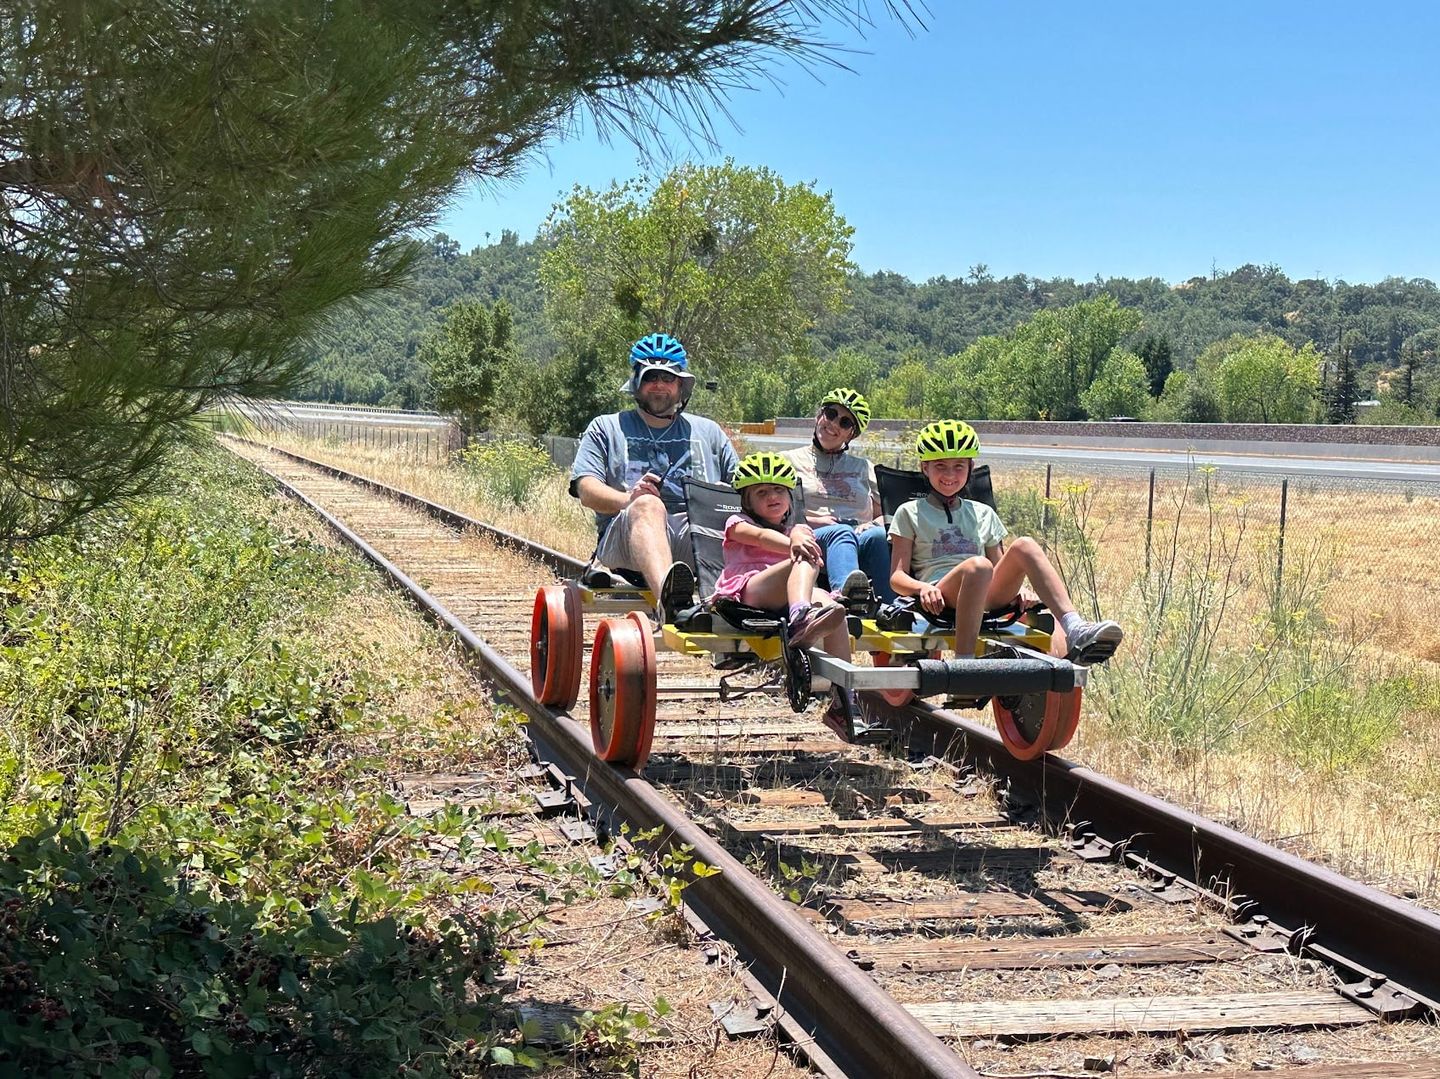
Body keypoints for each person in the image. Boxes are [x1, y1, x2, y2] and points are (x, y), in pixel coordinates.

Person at [888, 420, 1124, 665]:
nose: (949, 475)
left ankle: (1075, 627)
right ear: (924, 468)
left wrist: (1018, 589)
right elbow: (896, 577)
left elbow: (998, 566)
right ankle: (964, 664)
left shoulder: (983, 513)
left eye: (958, 466)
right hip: (943, 596)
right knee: (978, 566)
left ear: (971, 467)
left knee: (1025, 544)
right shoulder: (910, 512)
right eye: (940, 466)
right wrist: (922, 588)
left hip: (986, 592)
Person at [570, 333, 738, 623]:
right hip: (626, 539)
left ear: (681, 385)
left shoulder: (709, 433)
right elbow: (586, 488)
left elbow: (743, 488)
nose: (659, 385)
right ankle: (671, 606)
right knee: (648, 505)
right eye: (650, 377)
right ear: (636, 383)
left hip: (694, 542)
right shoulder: (607, 427)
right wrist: (629, 499)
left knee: (732, 511)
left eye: (667, 378)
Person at [712, 451, 861, 737]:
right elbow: (759, 537)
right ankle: (801, 618)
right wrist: (793, 542)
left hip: (792, 597)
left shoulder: (799, 529)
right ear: (747, 500)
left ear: (790, 496)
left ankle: (843, 703)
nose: (772, 496)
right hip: (750, 593)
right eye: (762, 492)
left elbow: (800, 544)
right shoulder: (738, 522)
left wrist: (797, 537)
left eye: (779, 489)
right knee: (805, 556)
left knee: (833, 610)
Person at [782, 387, 896, 606]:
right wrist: (809, 521)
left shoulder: (864, 468)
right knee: (840, 532)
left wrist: (875, 523)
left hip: (859, 536)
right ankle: (848, 601)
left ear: (851, 434)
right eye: (831, 414)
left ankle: (892, 610)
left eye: (845, 423)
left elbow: (893, 513)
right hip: (812, 537)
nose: (834, 424)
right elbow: (769, 509)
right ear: (819, 416)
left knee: (879, 537)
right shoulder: (787, 460)